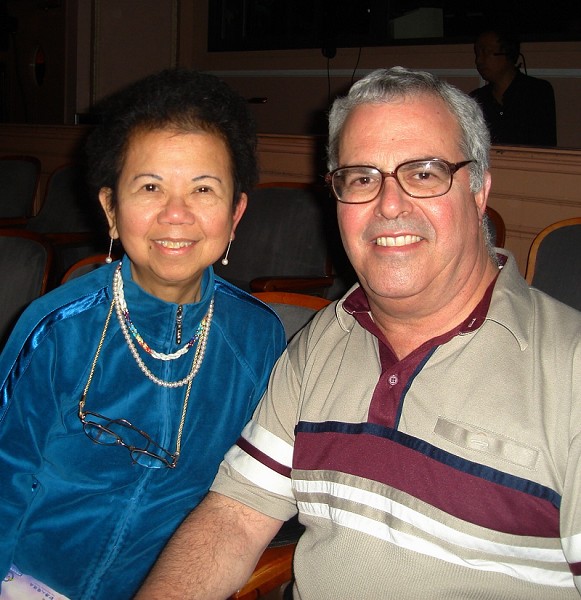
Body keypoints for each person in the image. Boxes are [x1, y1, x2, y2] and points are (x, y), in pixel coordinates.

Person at [135, 66, 581, 600]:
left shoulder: (569, 372)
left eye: (424, 174)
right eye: (363, 178)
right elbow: (235, 515)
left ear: (479, 190)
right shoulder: (324, 338)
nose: (389, 205)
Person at [0, 68, 286, 599]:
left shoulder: (256, 337)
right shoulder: (57, 328)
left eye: (203, 189)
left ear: (236, 212)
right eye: (150, 187)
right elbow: (5, 475)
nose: (175, 214)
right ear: (111, 209)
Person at [470, 26, 557, 146]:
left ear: (507, 52)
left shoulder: (537, 92)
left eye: (486, 52)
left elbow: (545, 145)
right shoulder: (477, 98)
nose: (479, 60)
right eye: (477, 54)